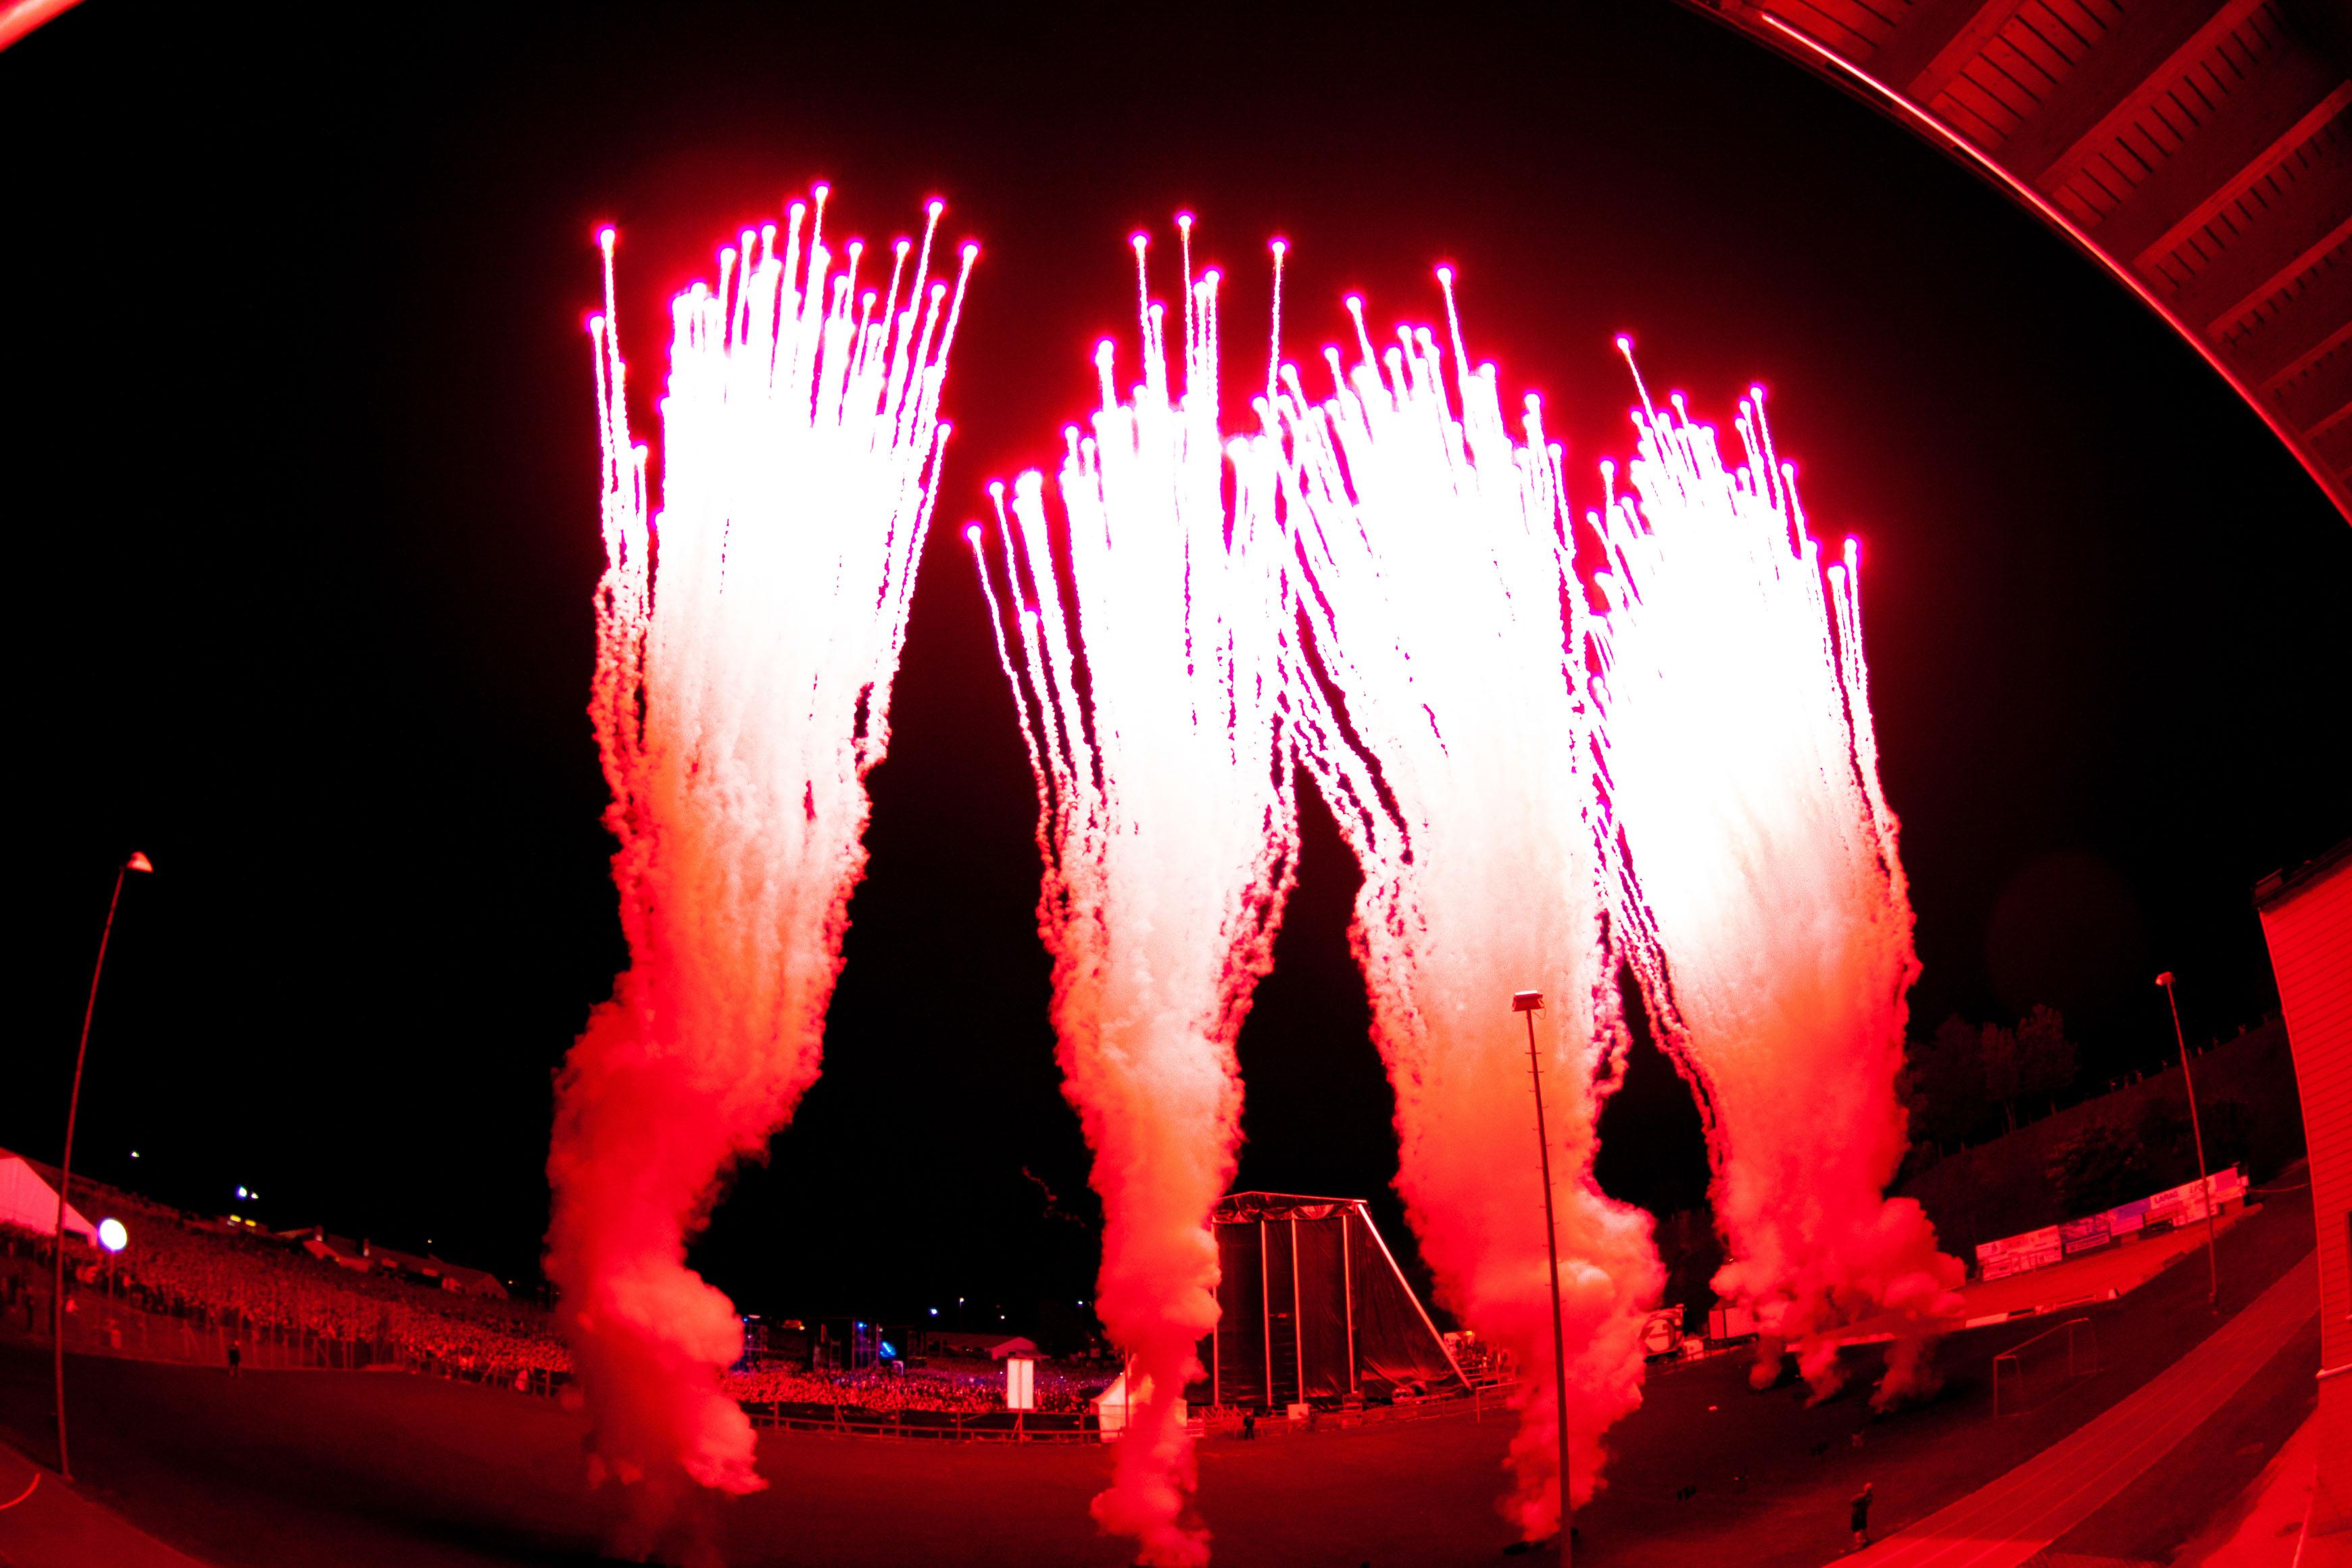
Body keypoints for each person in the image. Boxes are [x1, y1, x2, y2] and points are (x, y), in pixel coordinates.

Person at [1851, 1481, 1873, 1550]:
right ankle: (1866, 1539)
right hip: (1863, 1513)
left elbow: (1852, 1501)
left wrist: (1858, 1496)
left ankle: (1859, 1544)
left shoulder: (1861, 1497)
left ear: (1865, 1489)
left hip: (1857, 1514)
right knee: (1864, 1526)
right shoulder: (1870, 1497)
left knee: (1855, 1529)